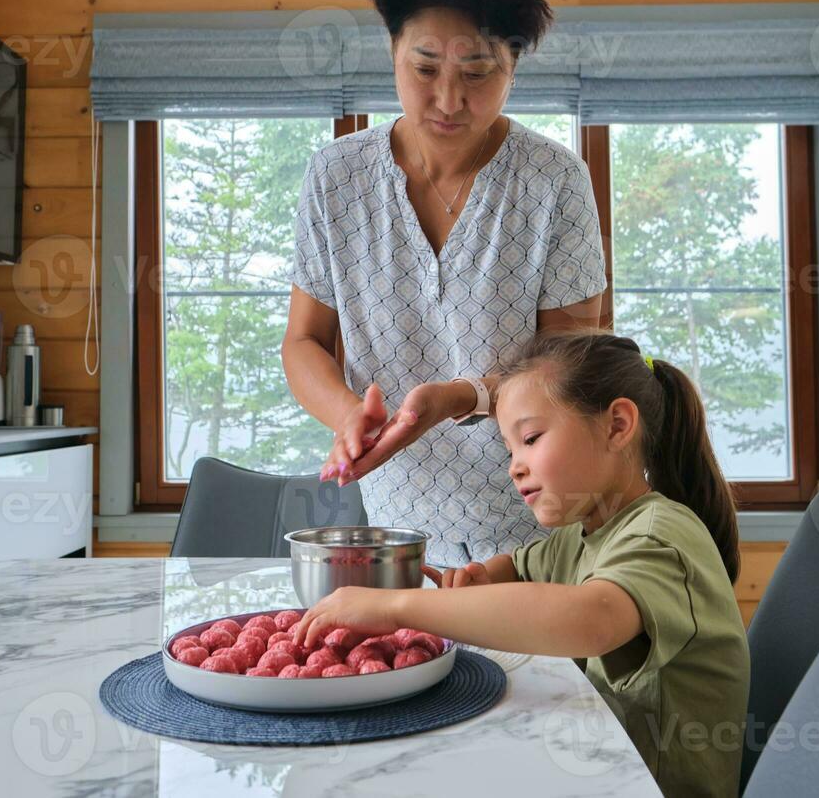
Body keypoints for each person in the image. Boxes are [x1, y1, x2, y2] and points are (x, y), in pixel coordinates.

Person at [294, 330, 750, 798]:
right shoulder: (581, 533)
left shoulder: (661, 532)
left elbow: (590, 619)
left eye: (530, 438)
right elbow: (513, 569)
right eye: (510, 449)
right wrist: (475, 583)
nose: (514, 465)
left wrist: (397, 606)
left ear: (617, 425)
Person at [282, 0, 607, 567]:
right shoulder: (337, 177)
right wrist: (349, 414)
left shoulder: (554, 179)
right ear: (393, 52)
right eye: (425, 69)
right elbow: (305, 343)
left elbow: (571, 366)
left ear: (513, 68)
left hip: (539, 522)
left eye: (478, 73)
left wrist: (463, 397)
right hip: (396, 525)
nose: (450, 100)